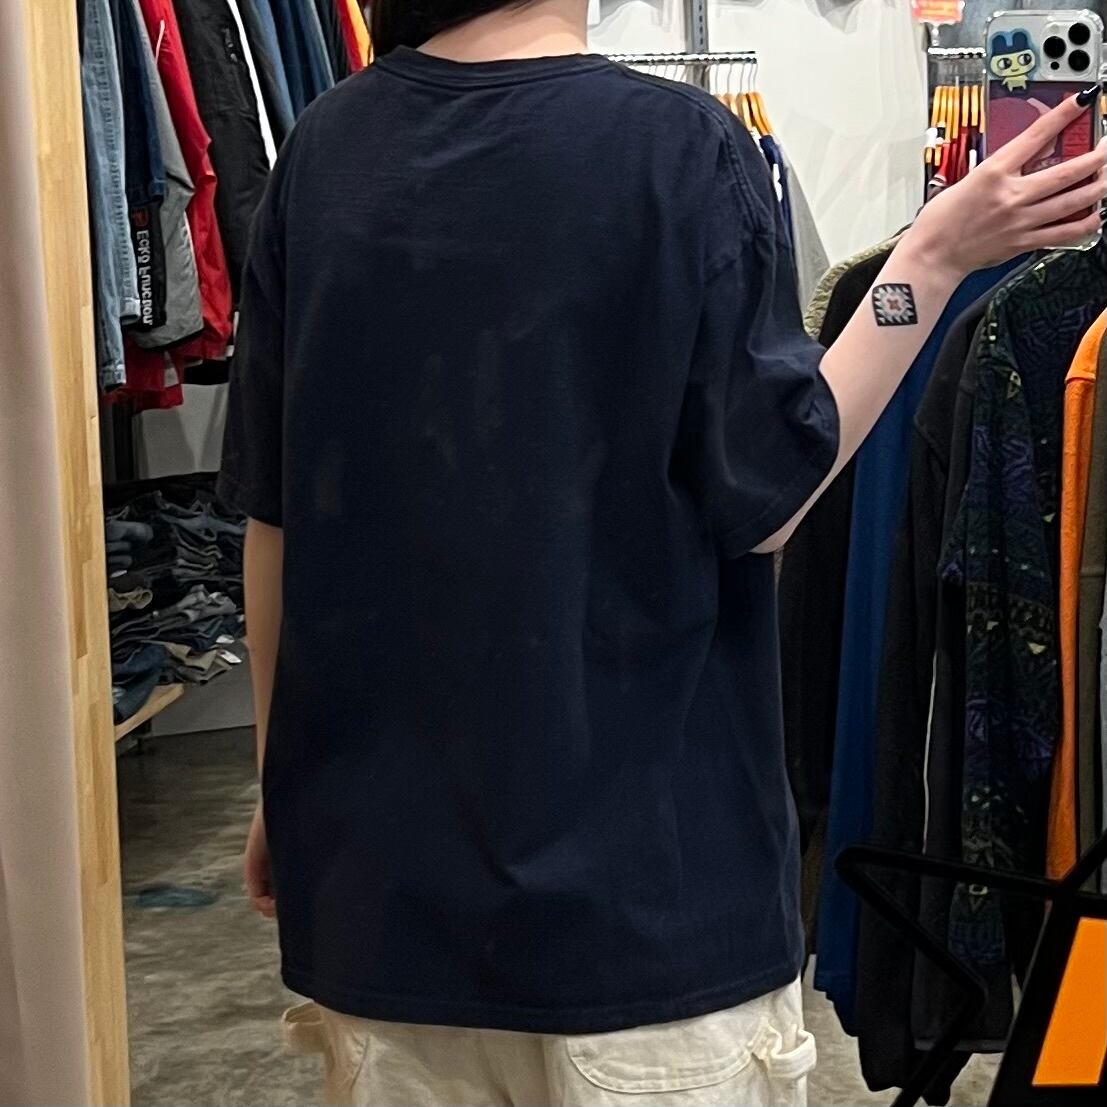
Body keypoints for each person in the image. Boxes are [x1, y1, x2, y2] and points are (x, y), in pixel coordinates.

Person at [217, 2, 1107, 1103]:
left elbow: (275, 517)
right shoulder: (677, 146)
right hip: (642, 915)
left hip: (379, 897)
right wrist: (927, 261)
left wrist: (282, 784)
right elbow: (769, 501)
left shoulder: (326, 147)